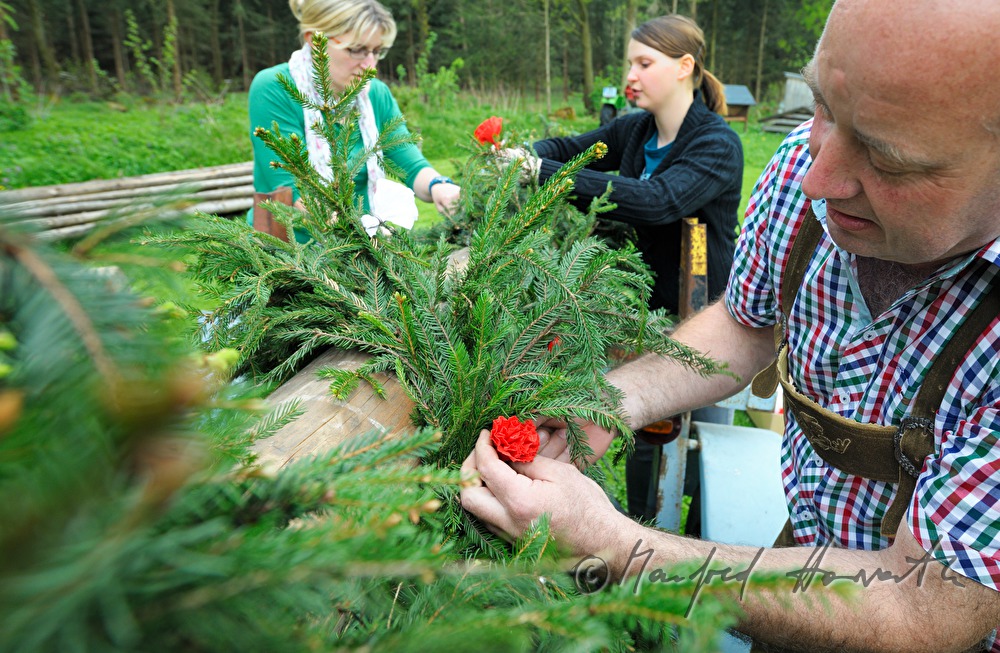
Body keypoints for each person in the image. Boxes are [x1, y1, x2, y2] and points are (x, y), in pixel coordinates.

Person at [463, 0, 1000, 651]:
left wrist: (613, 543)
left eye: (889, 161)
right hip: (801, 582)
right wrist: (608, 403)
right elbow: (746, 327)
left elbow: (925, 609)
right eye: (824, 107)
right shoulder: (799, 171)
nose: (817, 178)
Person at [501, 14, 744, 522]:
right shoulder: (635, 130)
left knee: (702, 437)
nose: (631, 74)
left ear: (684, 67)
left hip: (708, 315)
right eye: (629, 63)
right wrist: (529, 157)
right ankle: (640, 525)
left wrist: (545, 174)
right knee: (643, 431)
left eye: (644, 63)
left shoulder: (717, 144)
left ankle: (702, 538)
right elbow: (570, 150)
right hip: (642, 312)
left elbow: (659, 201)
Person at [248, 0, 460, 235]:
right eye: (357, 49)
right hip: (289, 251)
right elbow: (293, 189)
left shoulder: (376, 94)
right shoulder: (275, 88)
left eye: (377, 51)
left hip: (361, 249)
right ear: (314, 39)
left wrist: (439, 186)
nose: (369, 64)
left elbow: (410, 163)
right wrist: (358, 233)